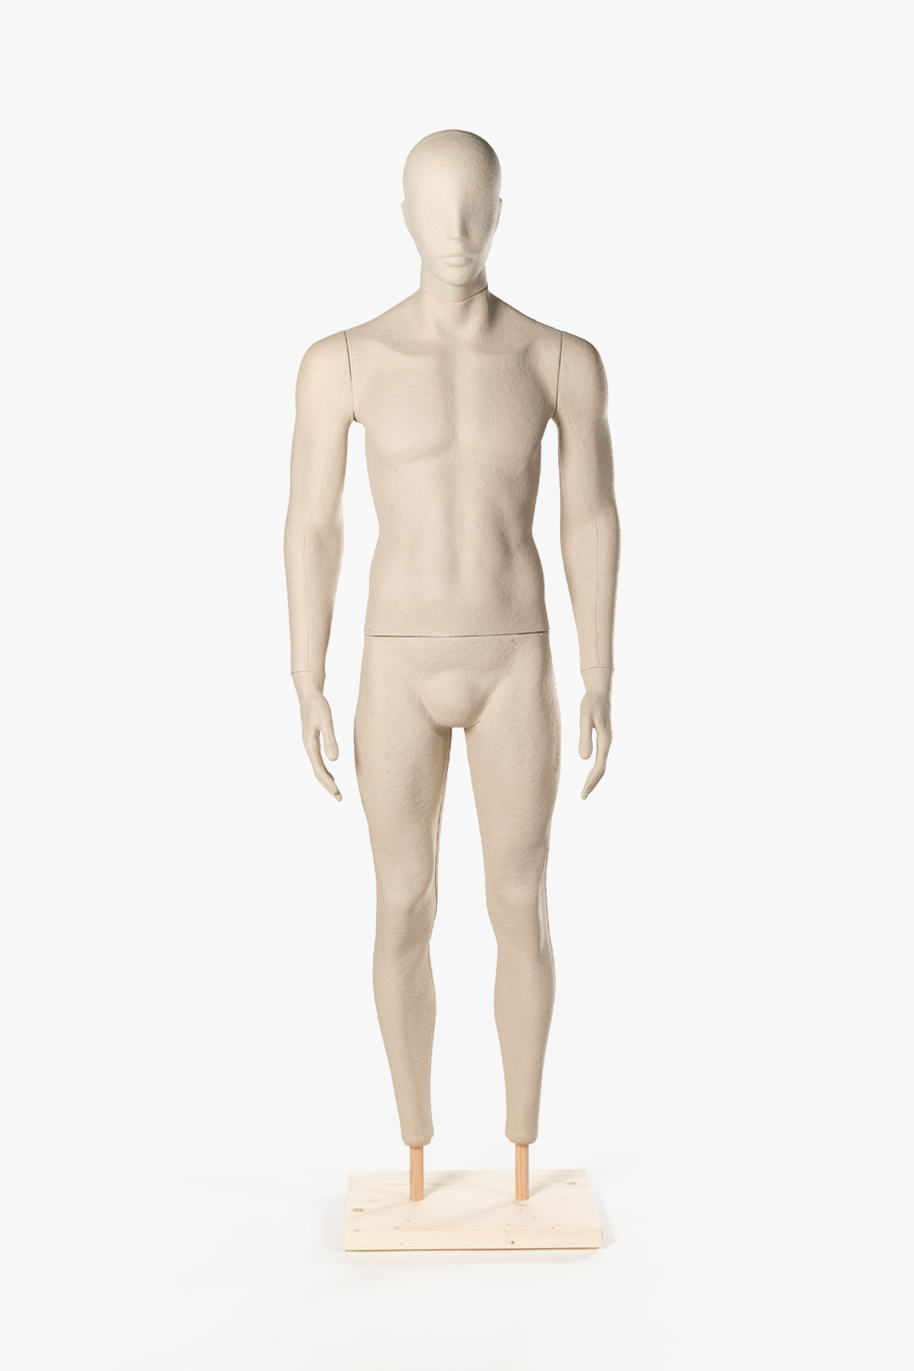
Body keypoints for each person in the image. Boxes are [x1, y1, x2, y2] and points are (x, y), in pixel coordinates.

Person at [284, 130, 619, 1165]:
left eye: (474, 204)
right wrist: (306, 674)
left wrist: (598, 670)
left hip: (515, 656)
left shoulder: (556, 359)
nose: (457, 229)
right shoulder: (345, 361)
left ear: (500, 211)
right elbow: (312, 523)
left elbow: (589, 515)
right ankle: (416, 1142)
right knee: (401, 904)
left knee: (519, 903)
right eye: (436, 206)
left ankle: (520, 1144)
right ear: (403, 216)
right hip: (396, 660)